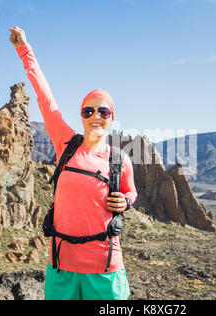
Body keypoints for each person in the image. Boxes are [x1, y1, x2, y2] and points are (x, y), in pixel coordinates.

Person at [9, 26, 137, 300]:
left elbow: (131, 191)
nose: (95, 116)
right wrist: (24, 50)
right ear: (81, 115)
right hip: (62, 267)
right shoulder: (66, 143)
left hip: (105, 269)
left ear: (111, 117)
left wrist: (125, 201)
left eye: (103, 111)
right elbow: (45, 98)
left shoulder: (119, 159)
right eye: (88, 110)